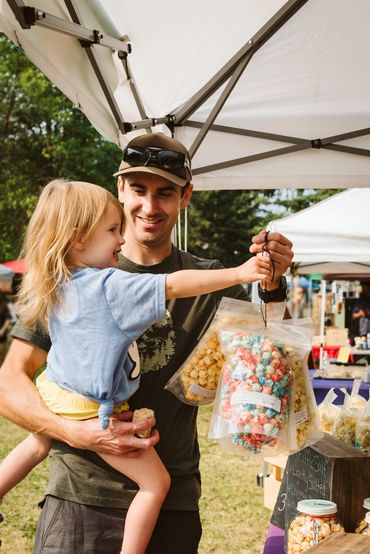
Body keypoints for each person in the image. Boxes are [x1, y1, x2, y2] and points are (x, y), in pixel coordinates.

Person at [0, 132, 293, 554]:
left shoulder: (207, 280)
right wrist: (77, 433)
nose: (150, 207)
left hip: (171, 507)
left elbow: (269, 355)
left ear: (185, 197)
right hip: (78, 498)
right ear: (120, 189)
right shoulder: (74, 276)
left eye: (165, 193)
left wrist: (271, 282)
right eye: (138, 190)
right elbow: (11, 381)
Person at [0, 291, 12, 363]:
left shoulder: (4, 307)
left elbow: (8, 319)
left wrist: (3, 330)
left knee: (0, 350)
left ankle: (2, 360)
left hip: (1, 331)